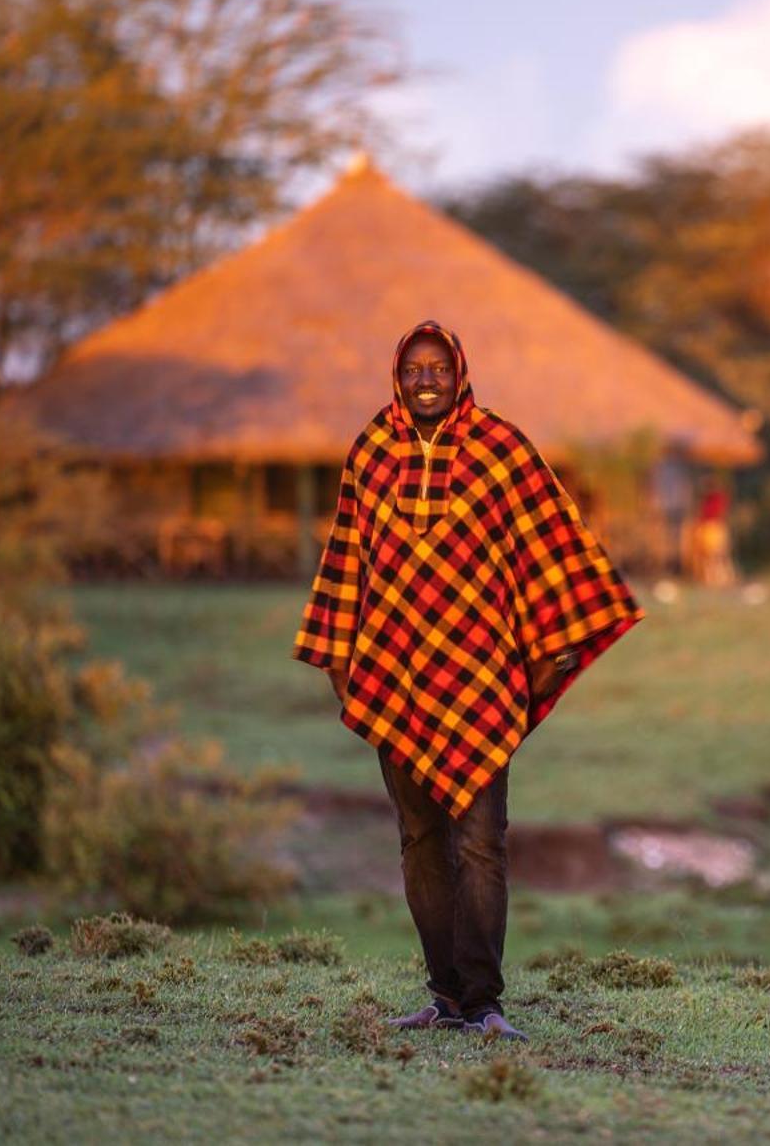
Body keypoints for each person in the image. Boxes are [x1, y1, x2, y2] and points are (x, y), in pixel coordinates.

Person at [291, 320, 643, 1041]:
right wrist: (341, 663)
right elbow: (347, 559)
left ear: (460, 374)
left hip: (481, 681)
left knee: (481, 843)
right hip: (394, 675)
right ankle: (444, 996)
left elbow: (553, 539)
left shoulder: (501, 448)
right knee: (419, 838)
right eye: (415, 369)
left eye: (439, 369)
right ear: (398, 375)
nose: (427, 380)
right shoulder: (370, 451)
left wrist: (549, 651)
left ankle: (485, 1002)